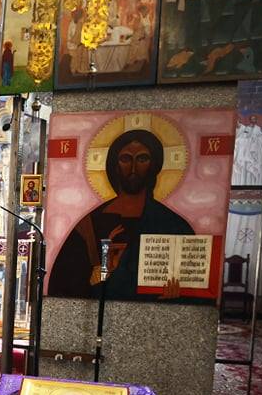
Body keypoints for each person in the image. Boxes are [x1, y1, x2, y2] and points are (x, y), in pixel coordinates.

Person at [48, 128, 194, 300]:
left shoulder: (172, 223)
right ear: (115, 166)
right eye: (125, 159)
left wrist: (174, 297)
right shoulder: (89, 225)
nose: (133, 168)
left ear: (154, 165)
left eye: (142, 159)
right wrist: (97, 280)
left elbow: (191, 284)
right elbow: (63, 288)